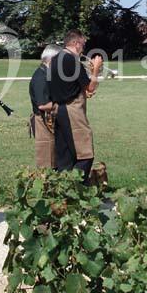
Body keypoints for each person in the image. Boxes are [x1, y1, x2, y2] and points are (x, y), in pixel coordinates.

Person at [48, 30, 102, 182]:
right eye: (83, 44)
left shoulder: (56, 59)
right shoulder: (72, 60)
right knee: (85, 155)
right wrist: (96, 70)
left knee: (65, 157)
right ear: (76, 43)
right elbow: (90, 87)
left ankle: (62, 194)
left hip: (58, 110)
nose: (84, 48)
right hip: (72, 111)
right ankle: (76, 190)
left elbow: (72, 86)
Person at [29, 44, 62, 169]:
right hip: (42, 121)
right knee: (46, 163)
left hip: (50, 120)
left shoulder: (48, 73)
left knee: (55, 159)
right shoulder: (40, 77)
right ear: (53, 60)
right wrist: (64, 103)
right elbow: (42, 105)